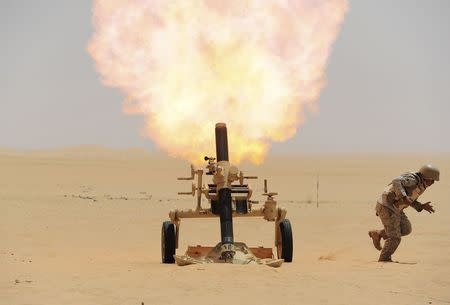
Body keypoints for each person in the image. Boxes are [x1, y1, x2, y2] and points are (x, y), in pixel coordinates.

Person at [368, 164, 439, 262]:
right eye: (432, 180)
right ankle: (384, 259)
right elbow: (396, 181)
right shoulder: (413, 180)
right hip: (386, 207)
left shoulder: (421, 184)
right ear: (427, 177)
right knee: (395, 237)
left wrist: (421, 206)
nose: (433, 183)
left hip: (395, 208)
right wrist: (404, 196)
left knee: (406, 229)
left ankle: (378, 234)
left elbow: (409, 200)